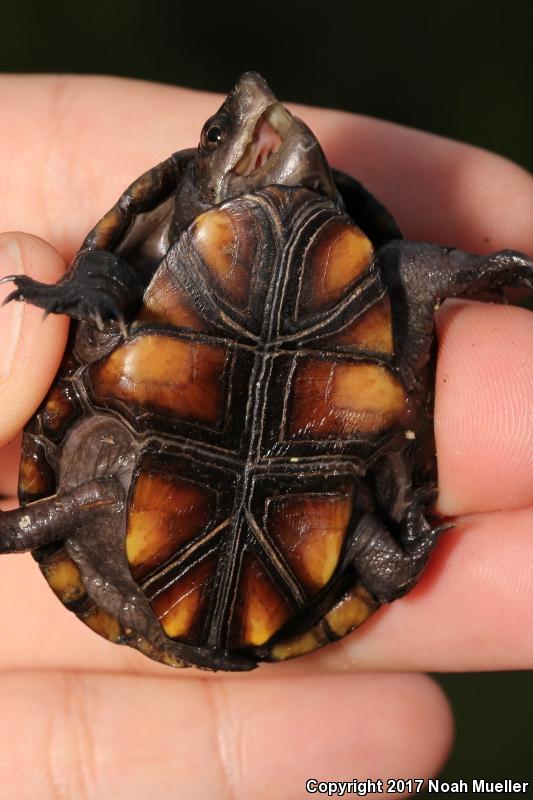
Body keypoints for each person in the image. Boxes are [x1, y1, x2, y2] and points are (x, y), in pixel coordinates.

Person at [0, 75, 531, 797]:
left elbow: (108, 270)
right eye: (220, 136)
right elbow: (402, 275)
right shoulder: (373, 266)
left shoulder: (170, 248)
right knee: (362, 546)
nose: (257, 100)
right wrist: (476, 272)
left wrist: (92, 289)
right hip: (315, 470)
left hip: (194, 458)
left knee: (101, 493)